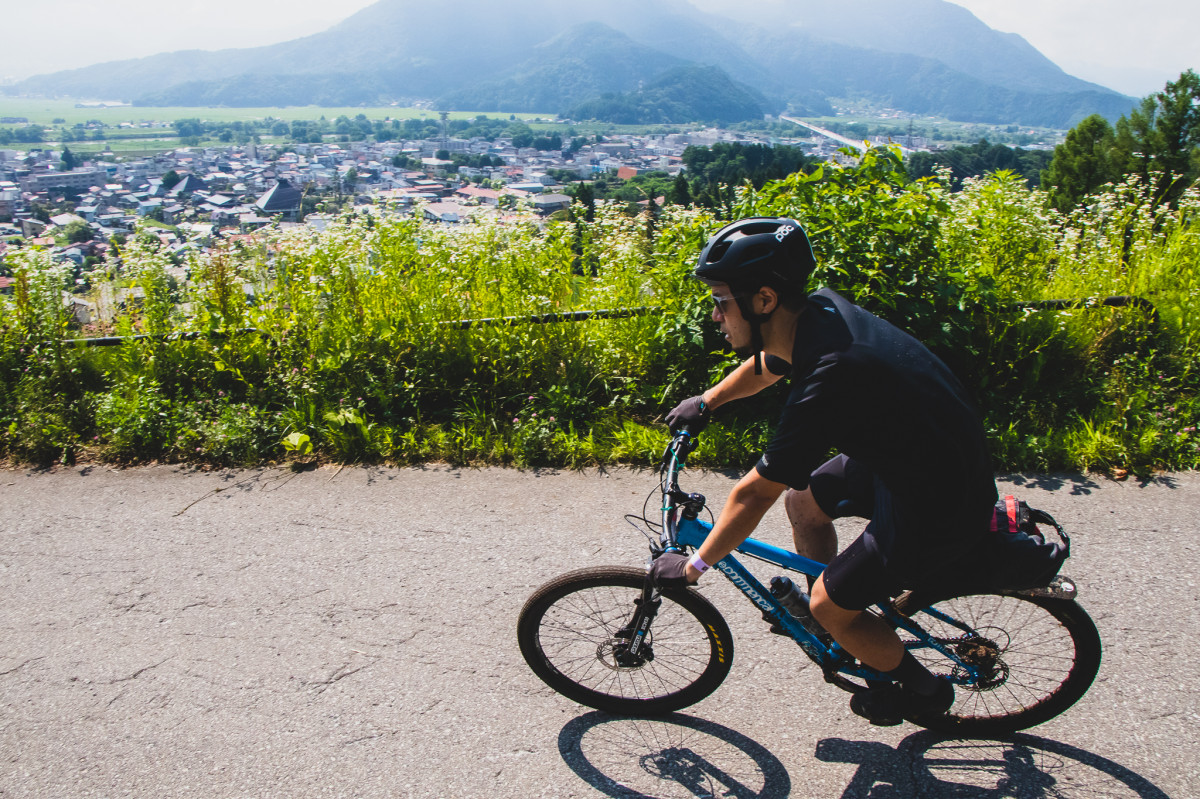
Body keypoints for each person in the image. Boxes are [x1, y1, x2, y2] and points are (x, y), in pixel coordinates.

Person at [650, 216, 999, 726]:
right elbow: (772, 362)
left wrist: (693, 567)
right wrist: (707, 401)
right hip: (915, 462)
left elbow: (753, 494)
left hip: (937, 502)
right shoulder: (818, 314)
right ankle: (842, 608)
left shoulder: (834, 374)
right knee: (804, 498)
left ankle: (921, 687)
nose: (716, 315)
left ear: (764, 299)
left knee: (829, 606)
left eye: (722, 300)